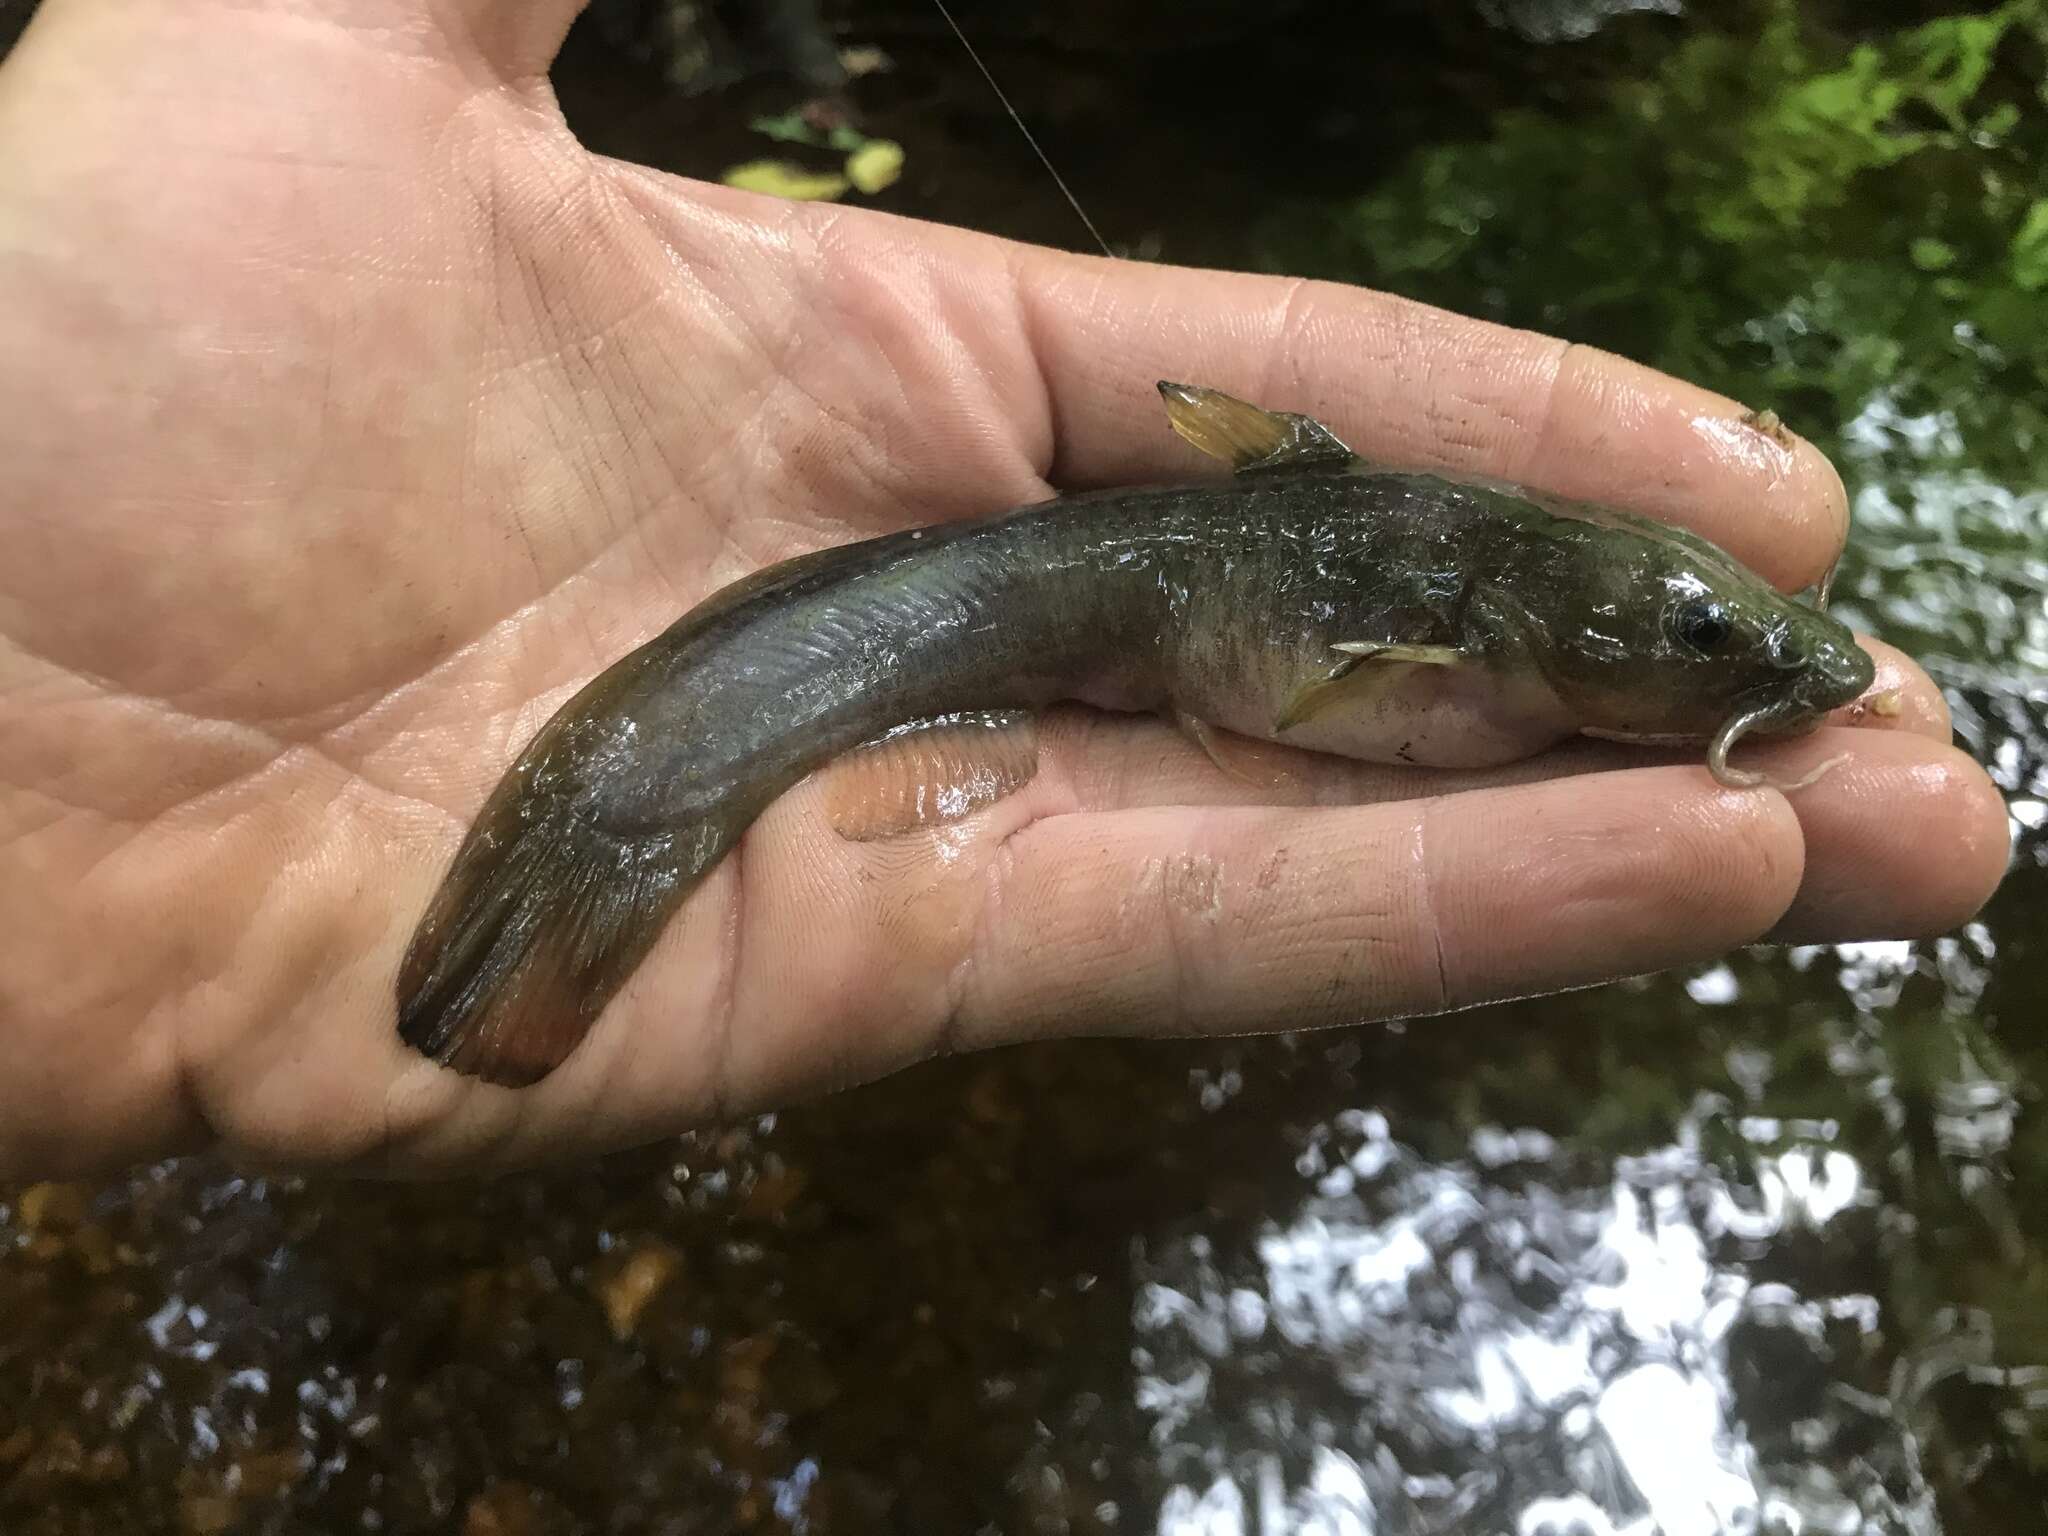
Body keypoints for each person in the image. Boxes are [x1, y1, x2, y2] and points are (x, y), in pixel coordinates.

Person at [0, 0, 2008, 1180]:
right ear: (1520, 628)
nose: (1770, 668)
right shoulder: (1463, 614)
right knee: (764, 696)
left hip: (993, 604)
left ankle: (530, 944)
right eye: (1704, 638)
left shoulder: (1516, 613)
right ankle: (540, 935)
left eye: (1720, 643)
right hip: (938, 618)